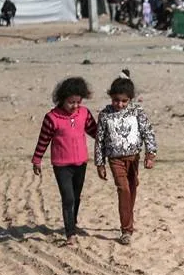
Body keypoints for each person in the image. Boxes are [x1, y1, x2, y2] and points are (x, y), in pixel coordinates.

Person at [31, 77, 98, 247]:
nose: (75, 106)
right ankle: (70, 233)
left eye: (78, 102)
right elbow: (43, 140)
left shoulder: (84, 113)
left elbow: (96, 132)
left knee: (76, 197)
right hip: (62, 166)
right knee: (68, 198)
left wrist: (111, 140)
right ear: (62, 99)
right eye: (71, 102)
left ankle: (72, 223)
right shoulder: (51, 118)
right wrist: (37, 159)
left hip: (81, 163)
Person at [94, 73, 158, 246]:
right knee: (123, 189)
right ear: (111, 97)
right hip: (115, 159)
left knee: (132, 188)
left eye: (124, 101)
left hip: (133, 157)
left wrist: (150, 154)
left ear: (130, 99)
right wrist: (100, 163)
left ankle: (128, 216)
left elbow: (148, 132)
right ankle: (126, 230)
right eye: (116, 100)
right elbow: (99, 140)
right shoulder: (105, 115)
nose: (120, 104)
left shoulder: (137, 112)